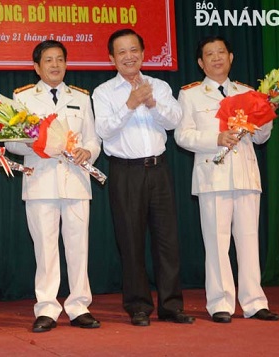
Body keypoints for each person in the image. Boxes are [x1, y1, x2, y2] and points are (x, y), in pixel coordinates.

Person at [92, 29, 195, 327]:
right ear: (112, 58)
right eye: (121, 52)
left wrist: (151, 102)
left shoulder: (160, 86)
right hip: (126, 172)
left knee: (167, 241)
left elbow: (174, 121)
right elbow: (104, 130)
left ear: (143, 53)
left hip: (159, 169)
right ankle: (138, 305)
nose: (129, 56)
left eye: (133, 50)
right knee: (131, 240)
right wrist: (130, 104)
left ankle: (171, 305)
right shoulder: (103, 92)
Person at [174, 35, 279, 323]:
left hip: (245, 174)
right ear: (200, 62)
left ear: (231, 57)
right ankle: (220, 302)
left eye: (222, 52)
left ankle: (254, 302)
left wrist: (266, 115)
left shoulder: (248, 92)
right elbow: (182, 136)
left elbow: (261, 138)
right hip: (213, 175)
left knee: (248, 240)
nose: (217, 58)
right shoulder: (191, 94)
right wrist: (216, 138)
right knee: (217, 241)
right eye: (210, 54)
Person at [5, 40, 102, 332]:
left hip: (75, 181)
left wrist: (88, 151)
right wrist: (39, 144)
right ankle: (47, 308)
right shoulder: (22, 97)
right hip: (41, 180)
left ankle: (79, 305)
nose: (55, 65)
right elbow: (11, 142)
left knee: (78, 247)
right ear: (37, 67)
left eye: (60, 59)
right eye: (48, 60)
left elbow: (93, 138)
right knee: (45, 248)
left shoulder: (82, 98)